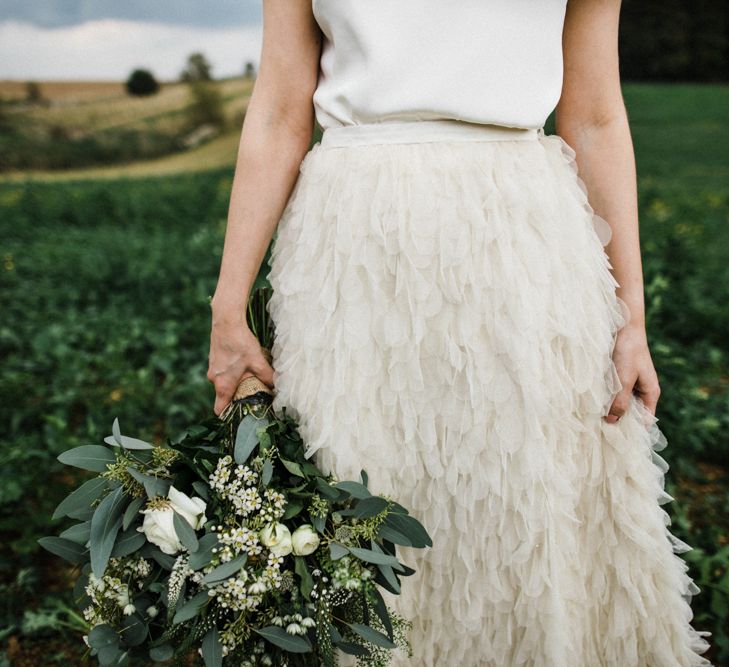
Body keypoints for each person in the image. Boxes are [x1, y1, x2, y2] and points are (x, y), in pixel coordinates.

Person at [206, 0, 713, 664]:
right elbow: (277, 110)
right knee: (363, 487)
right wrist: (227, 306)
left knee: (525, 504)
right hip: (354, 240)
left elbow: (593, 114)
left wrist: (632, 318)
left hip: (522, 230)